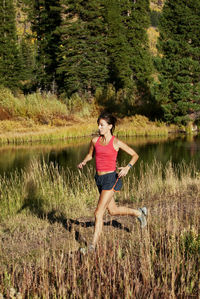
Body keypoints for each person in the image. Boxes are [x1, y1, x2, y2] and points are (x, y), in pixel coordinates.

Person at [77, 112, 147, 253]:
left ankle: (92, 246)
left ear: (110, 126)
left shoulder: (116, 142)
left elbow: (135, 155)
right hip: (99, 179)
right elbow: (91, 155)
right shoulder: (95, 141)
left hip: (111, 178)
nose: (99, 127)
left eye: (102, 125)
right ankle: (139, 213)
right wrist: (84, 161)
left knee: (98, 213)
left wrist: (128, 167)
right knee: (113, 211)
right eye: (98, 124)